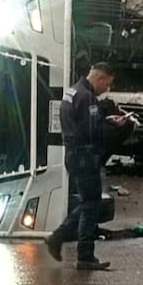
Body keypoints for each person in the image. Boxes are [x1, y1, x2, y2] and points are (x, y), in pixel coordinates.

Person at [45, 63, 128, 270]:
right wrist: (114, 125)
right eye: (107, 85)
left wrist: (103, 118)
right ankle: (82, 254)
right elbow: (93, 132)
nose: (106, 90)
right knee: (91, 205)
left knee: (87, 202)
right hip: (84, 155)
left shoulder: (72, 92)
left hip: (73, 154)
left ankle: (61, 239)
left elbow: (85, 123)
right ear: (100, 78)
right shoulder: (86, 97)